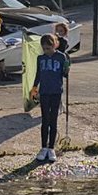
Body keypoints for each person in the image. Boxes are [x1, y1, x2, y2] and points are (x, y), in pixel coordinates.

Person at [30, 34, 69, 163]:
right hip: (45, 92)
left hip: (56, 92)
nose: (46, 51)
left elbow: (64, 74)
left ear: (54, 45)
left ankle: (51, 147)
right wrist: (35, 87)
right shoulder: (40, 58)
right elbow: (38, 74)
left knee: (53, 120)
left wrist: (67, 68)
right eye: (44, 48)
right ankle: (43, 147)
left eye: (48, 48)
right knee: (45, 120)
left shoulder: (61, 57)